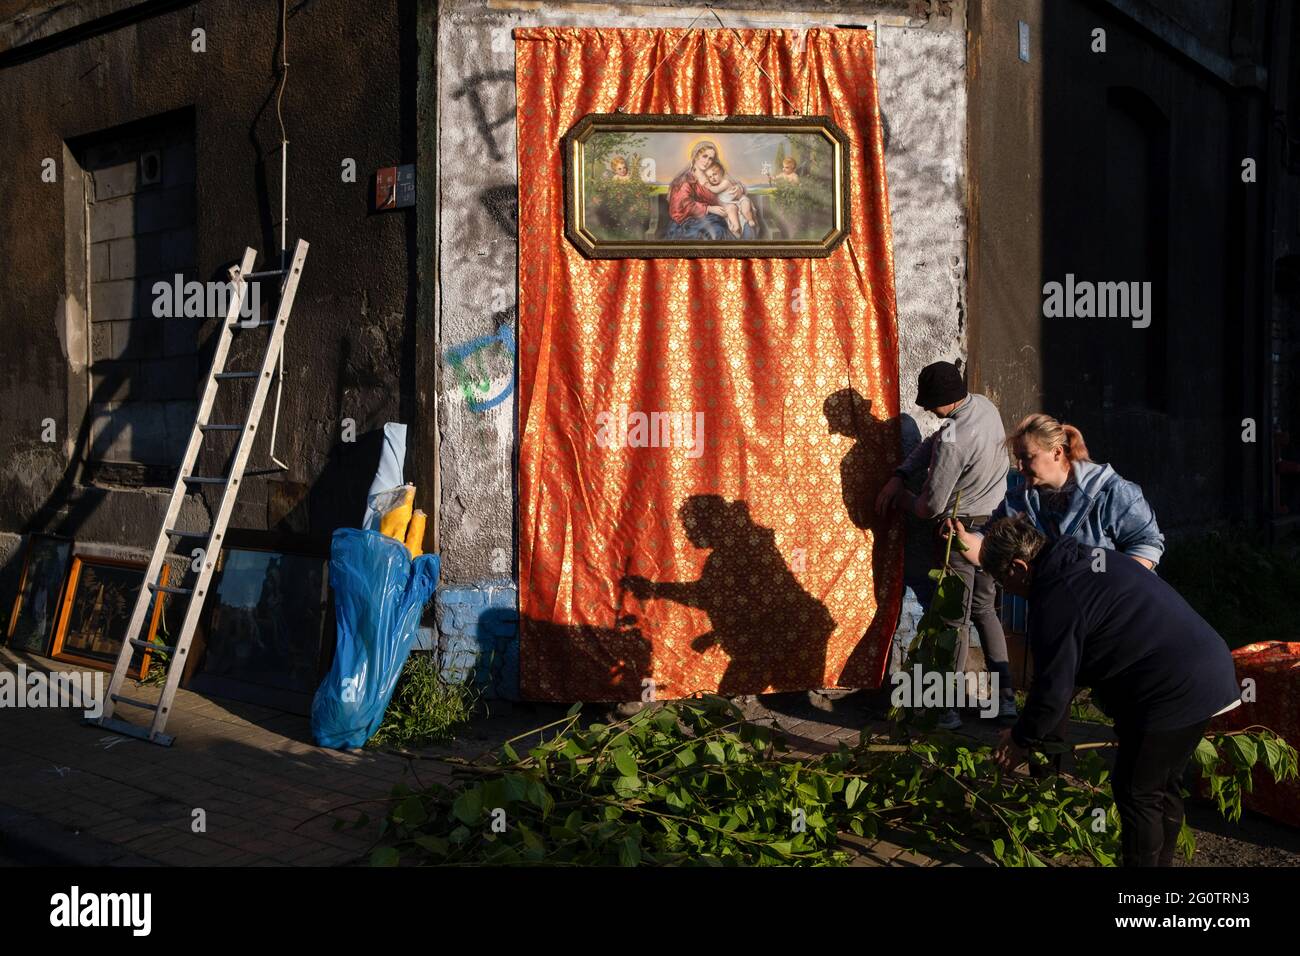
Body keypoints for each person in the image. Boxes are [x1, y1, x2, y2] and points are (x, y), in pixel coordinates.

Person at [979, 517, 1241, 867]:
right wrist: (1038, 733)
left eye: (1002, 581)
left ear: (1019, 566)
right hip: (1208, 669)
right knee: (1163, 786)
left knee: (1137, 791)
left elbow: (1052, 689)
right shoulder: (1085, 559)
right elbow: (1070, 674)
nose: (1005, 591)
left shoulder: (1056, 594)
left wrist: (1020, 739)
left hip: (1171, 689)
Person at [874, 361, 1016, 726]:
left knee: (953, 620)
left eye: (930, 405)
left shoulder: (955, 438)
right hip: (995, 531)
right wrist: (902, 472)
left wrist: (902, 496)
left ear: (940, 401)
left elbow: (929, 507)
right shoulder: (984, 406)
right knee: (985, 612)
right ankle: (1006, 701)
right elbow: (932, 441)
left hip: (960, 531)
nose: (927, 411)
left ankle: (947, 710)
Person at [950, 413, 1164, 569]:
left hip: (1116, 613)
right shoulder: (1019, 501)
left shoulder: (1110, 492)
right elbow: (987, 548)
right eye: (1017, 458)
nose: (1020, 467)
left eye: (1027, 457)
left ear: (1057, 452)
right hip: (1062, 613)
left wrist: (1113, 587)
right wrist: (960, 538)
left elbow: (1146, 546)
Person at [665, 142, 755, 240]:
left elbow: (730, 183)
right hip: (691, 221)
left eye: (710, 158)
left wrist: (739, 188)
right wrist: (709, 209)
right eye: (705, 156)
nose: (707, 161)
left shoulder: (712, 173)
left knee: (746, 226)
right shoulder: (685, 179)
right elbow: (682, 203)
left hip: (720, 215)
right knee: (718, 232)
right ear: (696, 156)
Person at [701, 161, 756, 237]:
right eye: (710, 177)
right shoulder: (715, 185)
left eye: (714, 174)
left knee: (745, 209)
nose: (712, 178)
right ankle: (736, 226)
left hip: (740, 200)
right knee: (731, 210)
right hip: (731, 204)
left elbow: (717, 189)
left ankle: (750, 219)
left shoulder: (725, 182)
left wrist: (709, 186)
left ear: (721, 173)